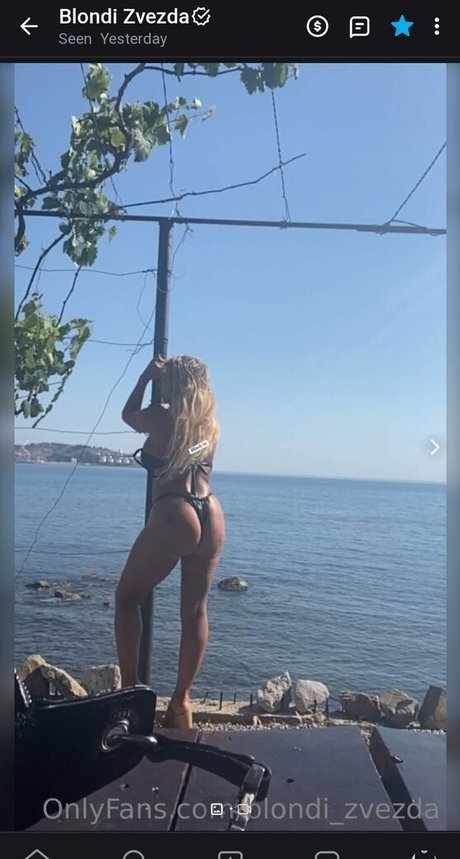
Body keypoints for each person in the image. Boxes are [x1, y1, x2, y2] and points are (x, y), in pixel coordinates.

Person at [115, 354, 225, 727]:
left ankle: (129, 695)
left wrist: (145, 377)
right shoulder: (208, 426)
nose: (161, 384)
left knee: (127, 599)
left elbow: (128, 415)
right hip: (211, 512)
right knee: (195, 611)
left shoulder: (161, 418)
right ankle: (180, 704)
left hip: (174, 511)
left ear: (173, 383)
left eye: (165, 379)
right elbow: (189, 457)